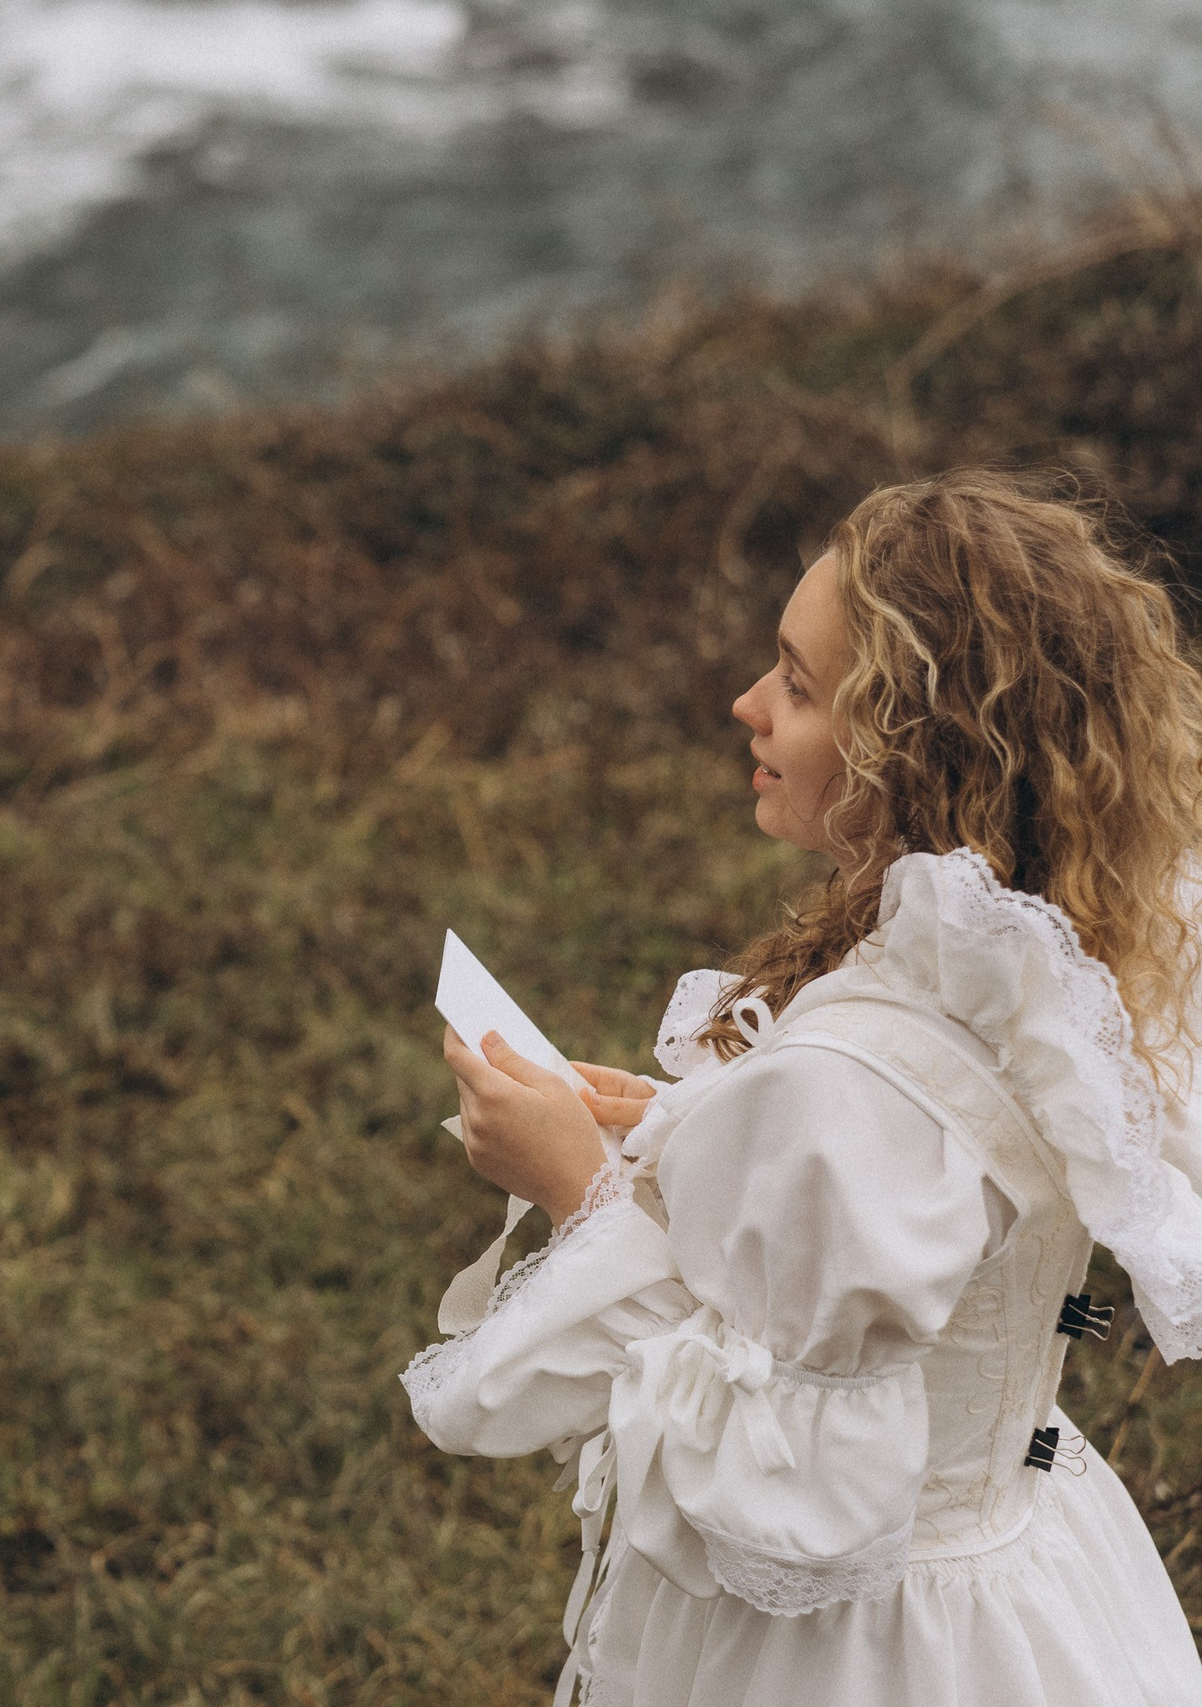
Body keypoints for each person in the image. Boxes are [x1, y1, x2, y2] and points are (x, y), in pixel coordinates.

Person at [402, 468, 1202, 1704]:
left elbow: (788, 1490)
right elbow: (924, 1213)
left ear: (913, 749)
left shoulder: (857, 1074)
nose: (745, 705)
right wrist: (675, 1138)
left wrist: (576, 1191)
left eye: (797, 683)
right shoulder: (1051, 957)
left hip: (861, 1654)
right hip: (1022, 1582)